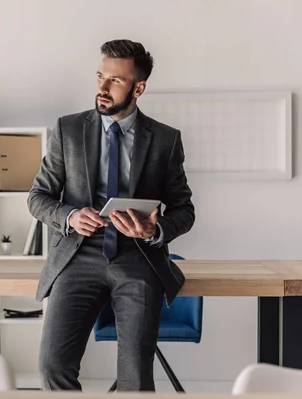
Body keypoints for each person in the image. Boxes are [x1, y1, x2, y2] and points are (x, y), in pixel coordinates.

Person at [27, 39, 195, 392]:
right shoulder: (67, 129)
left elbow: (184, 210)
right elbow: (38, 196)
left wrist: (155, 228)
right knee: (51, 366)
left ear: (139, 87)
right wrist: (70, 216)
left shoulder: (165, 140)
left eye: (115, 81)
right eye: (100, 76)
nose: (102, 88)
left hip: (138, 258)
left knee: (135, 379)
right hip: (77, 257)